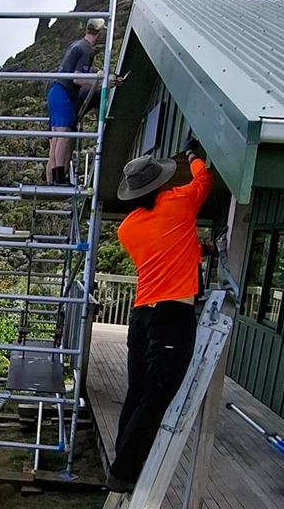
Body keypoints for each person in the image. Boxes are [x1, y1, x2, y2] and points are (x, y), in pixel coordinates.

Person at [105, 143, 212, 492]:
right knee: (158, 394)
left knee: (138, 391)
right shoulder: (179, 202)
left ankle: (122, 461)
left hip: (141, 317)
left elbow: (169, 248)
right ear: (160, 184)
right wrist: (194, 156)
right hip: (172, 315)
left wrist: (199, 249)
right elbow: (205, 180)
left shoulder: (128, 229)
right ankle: (124, 472)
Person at [45, 18, 117, 185]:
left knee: (57, 136)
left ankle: (56, 178)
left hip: (55, 91)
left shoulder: (76, 45)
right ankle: (60, 179)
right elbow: (78, 78)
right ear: (99, 33)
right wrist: (100, 82)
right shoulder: (87, 50)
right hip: (64, 93)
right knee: (63, 136)